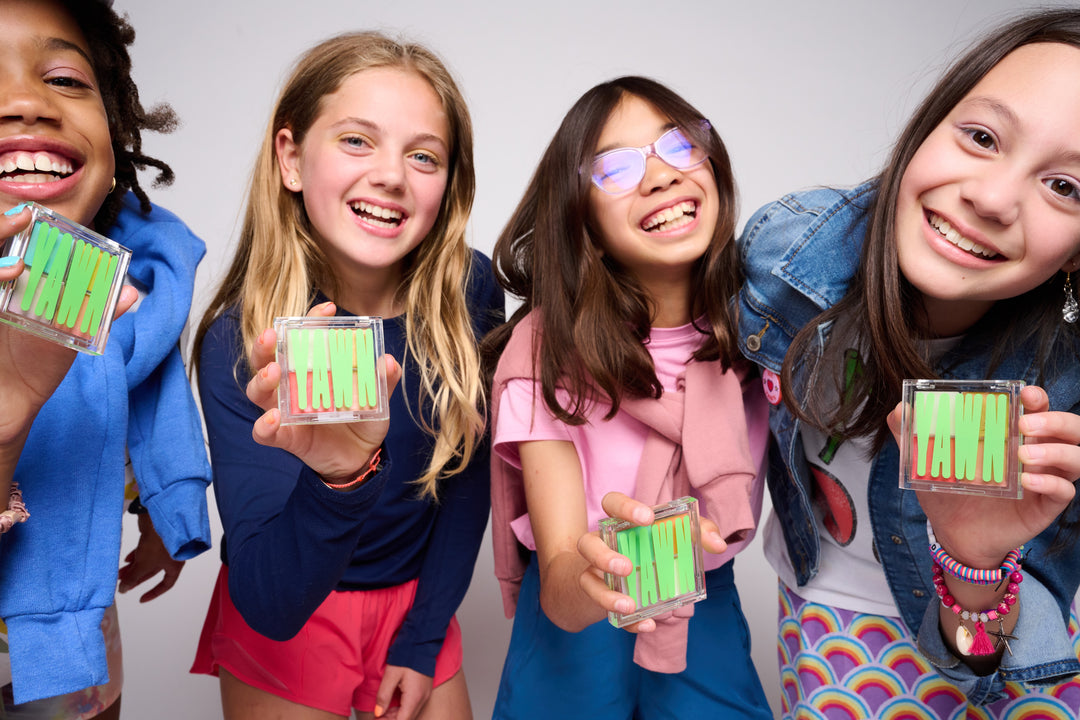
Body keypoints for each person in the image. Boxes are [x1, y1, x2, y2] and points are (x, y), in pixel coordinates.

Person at [586, 8, 1080, 719]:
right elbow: (661, 327)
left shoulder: (1063, 383)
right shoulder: (789, 256)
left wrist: (971, 555)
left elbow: (993, 657)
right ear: (928, 125)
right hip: (835, 632)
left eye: (1066, 186)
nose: (992, 198)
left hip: (1015, 659)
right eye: (980, 137)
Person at [189, 31, 503, 720]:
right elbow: (269, 602)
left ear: (447, 185)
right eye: (357, 141)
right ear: (291, 158)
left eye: (424, 155)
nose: (392, 174)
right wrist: (338, 478)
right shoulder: (243, 340)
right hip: (292, 611)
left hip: (415, 604)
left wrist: (421, 639)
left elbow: (468, 477)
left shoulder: (471, 290)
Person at [483, 76, 773, 719]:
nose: (661, 176)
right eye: (614, 167)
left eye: (678, 145)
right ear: (580, 217)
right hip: (579, 618)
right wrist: (604, 579)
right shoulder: (543, 349)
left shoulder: (763, 335)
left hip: (705, 606)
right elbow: (561, 576)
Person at [0, 0, 213, 717]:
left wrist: (161, 504)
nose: (26, 100)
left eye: (62, 78)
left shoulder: (128, 294)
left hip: (79, 675)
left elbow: (137, 407)